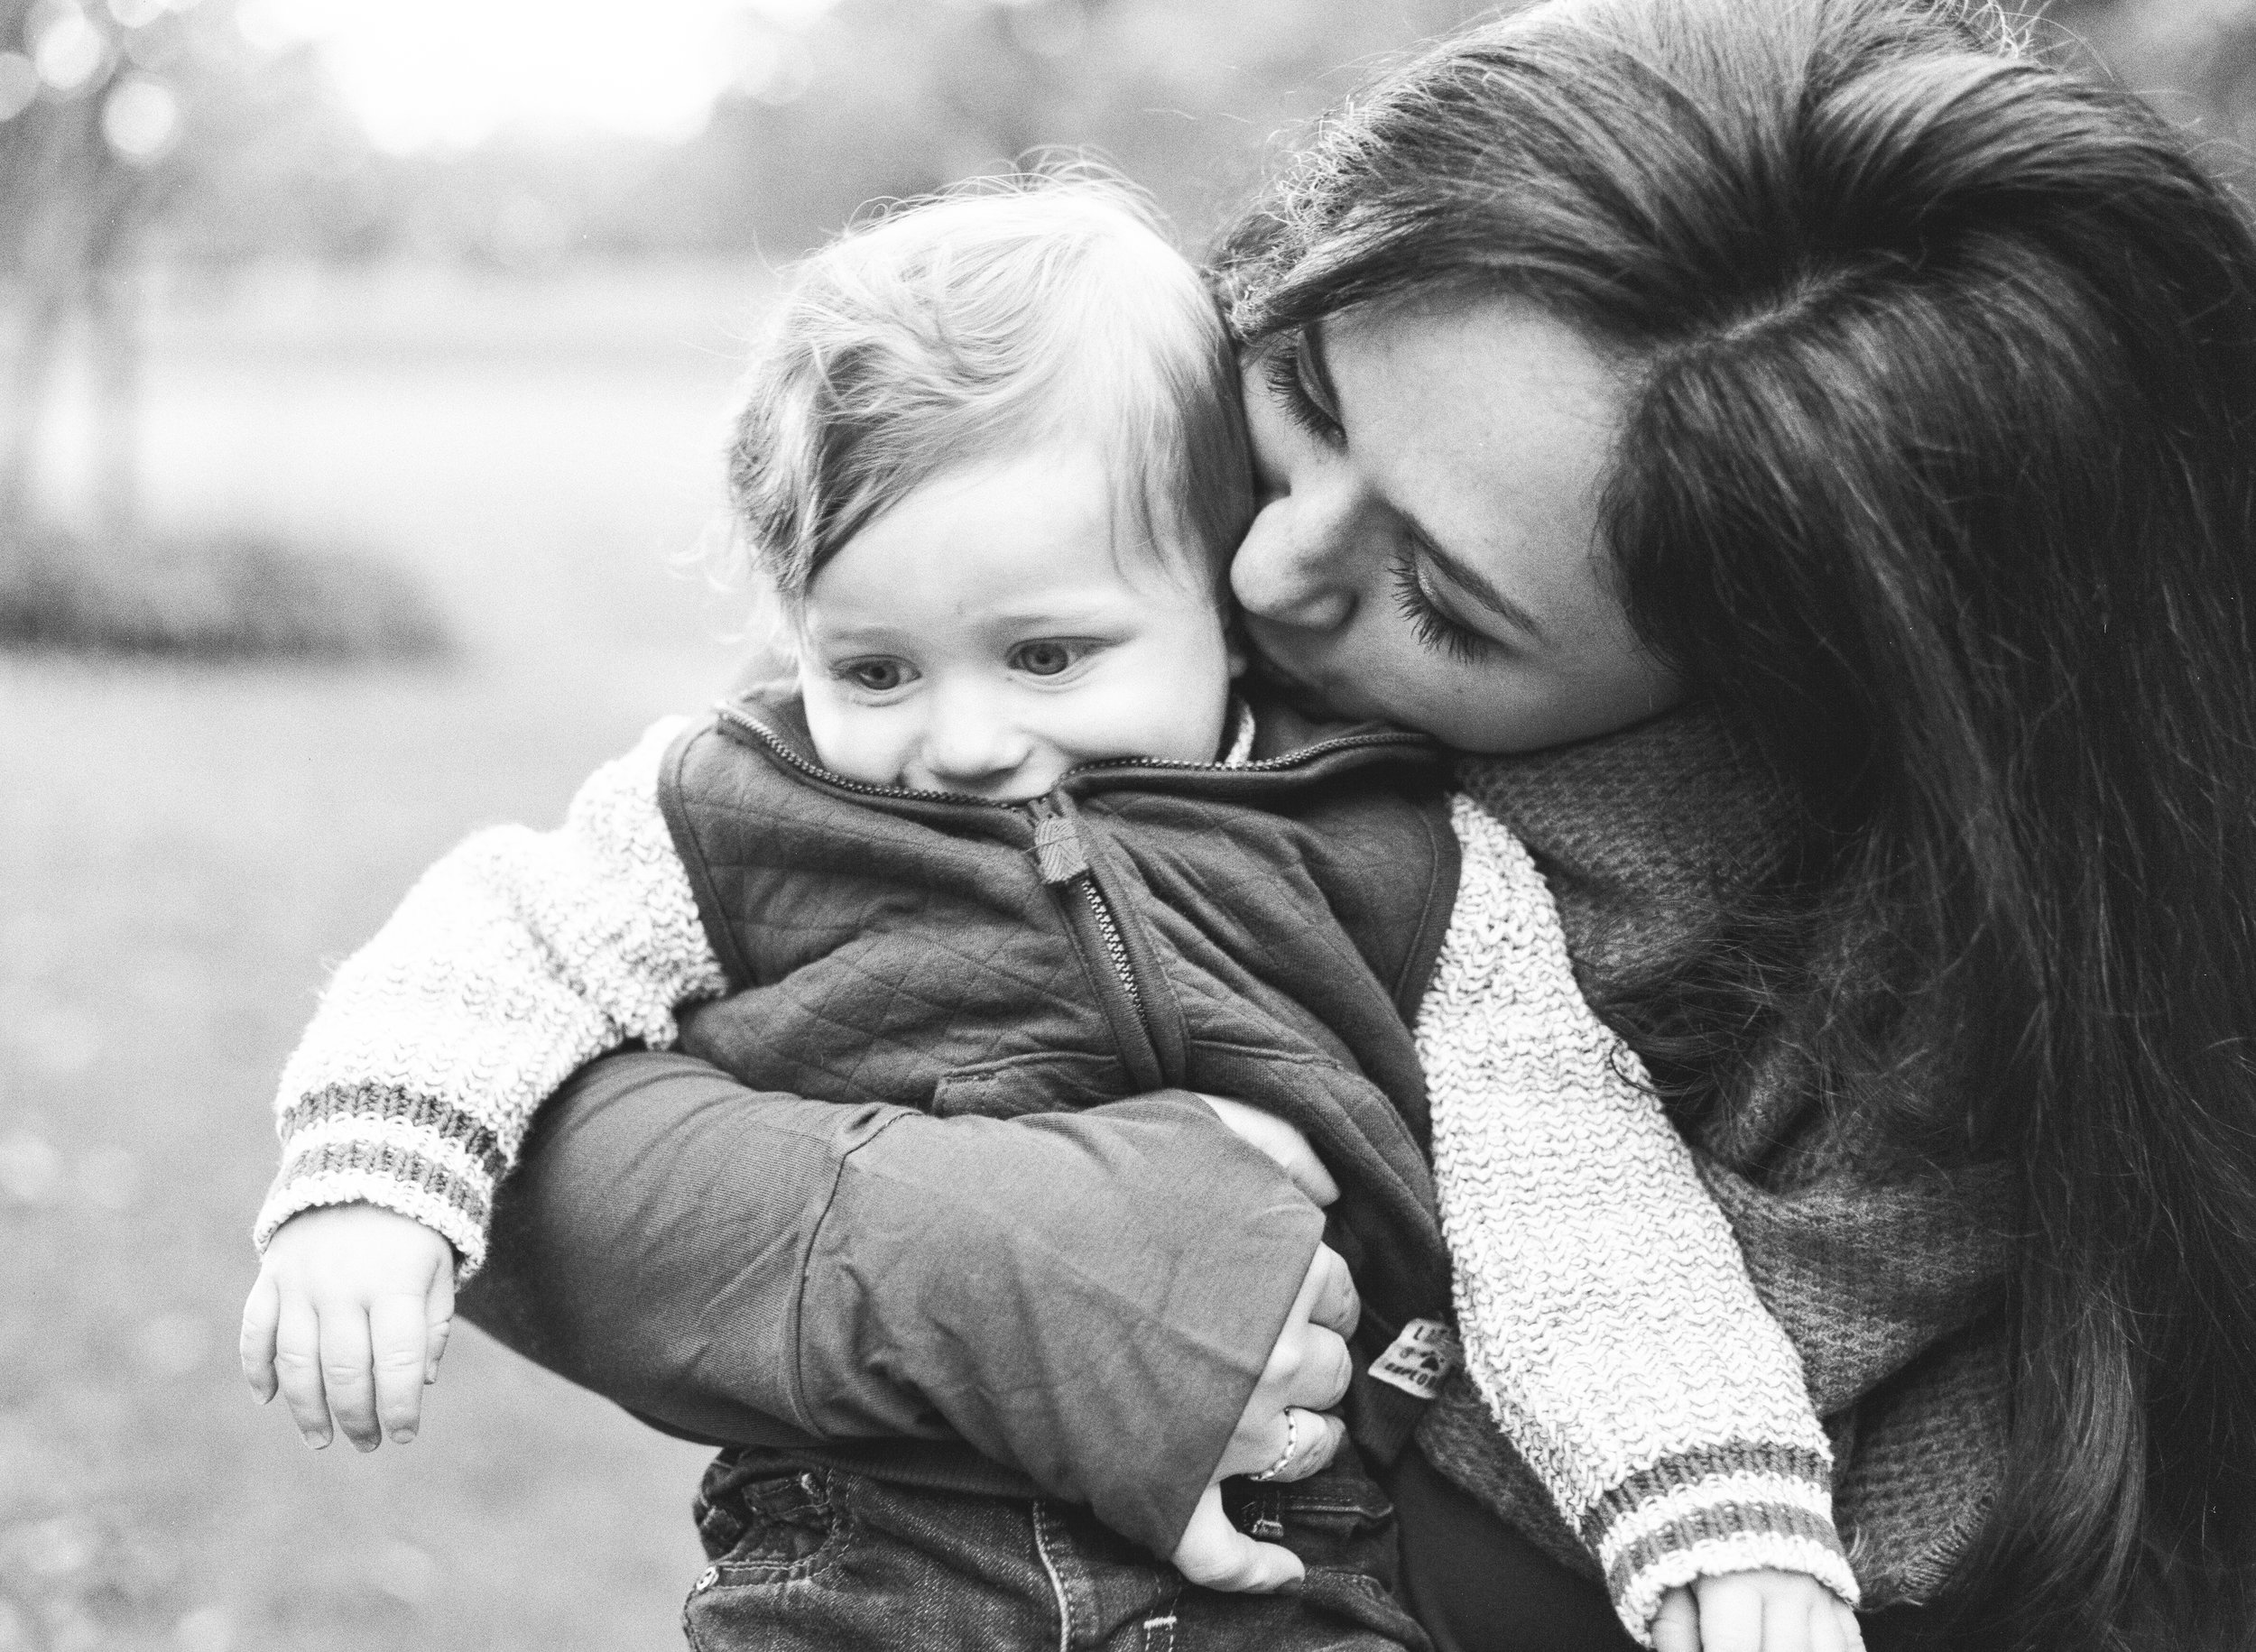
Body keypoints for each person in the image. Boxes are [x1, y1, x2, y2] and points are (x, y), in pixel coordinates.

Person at [239, 179, 1864, 1652]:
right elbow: (506, 934)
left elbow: (1570, 1185)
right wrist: (375, 1174)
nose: (959, 739)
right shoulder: (755, 805)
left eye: (1046, 656)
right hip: (877, 1557)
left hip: (1299, 1572)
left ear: (1218, 600)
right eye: (873, 667)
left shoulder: (1397, 855)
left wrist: (1715, 1502)